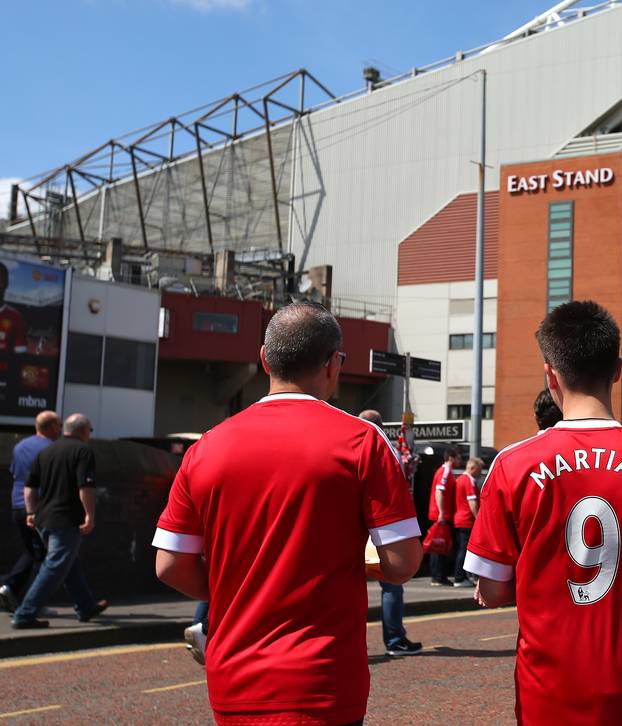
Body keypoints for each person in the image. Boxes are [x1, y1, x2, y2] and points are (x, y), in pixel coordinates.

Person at [152, 303, 422, 725]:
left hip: (234, 676)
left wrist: (240, 590)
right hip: (323, 676)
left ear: (264, 360)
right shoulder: (362, 441)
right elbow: (402, 563)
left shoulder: (206, 446)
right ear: (333, 364)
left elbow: (169, 565)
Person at [466, 300, 622, 725]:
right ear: (618, 369)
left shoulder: (512, 465)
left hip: (546, 688)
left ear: (550, 374)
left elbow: (494, 590)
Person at [10, 413, 108, 628]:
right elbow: (85, 486)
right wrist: (89, 515)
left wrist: (31, 512)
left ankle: (85, 606)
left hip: (43, 518)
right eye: (90, 430)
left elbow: (29, 487)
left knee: (69, 563)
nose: (90, 434)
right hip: (65, 518)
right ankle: (24, 614)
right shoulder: (82, 451)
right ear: (83, 430)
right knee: (55, 565)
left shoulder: (46, 451)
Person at [358, 409, 424, 656]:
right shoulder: (384, 449)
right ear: (382, 426)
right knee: (391, 585)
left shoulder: (349, 445)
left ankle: (353, 643)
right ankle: (395, 640)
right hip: (379, 526)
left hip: (350, 527)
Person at [0, 410, 59, 611]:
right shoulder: (52, 449)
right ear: (52, 426)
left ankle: (10, 588)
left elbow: (15, 474)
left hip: (18, 506)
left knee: (33, 552)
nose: (60, 429)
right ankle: (31, 604)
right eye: (59, 425)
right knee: (45, 557)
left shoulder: (20, 446)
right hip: (41, 507)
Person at [428, 446, 462, 586]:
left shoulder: (444, 471)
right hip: (440, 515)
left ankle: (438, 575)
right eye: (458, 457)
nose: (460, 460)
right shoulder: (445, 471)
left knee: (440, 545)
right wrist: (441, 512)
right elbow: (439, 491)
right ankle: (438, 576)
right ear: (451, 458)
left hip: (440, 513)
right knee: (439, 545)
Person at [451, 457, 483, 587]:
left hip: (459, 518)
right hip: (467, 520)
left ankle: (461, 576)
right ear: (473, 468)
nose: (480, 473)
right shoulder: (469, 480)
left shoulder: (459, 479)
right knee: (464, 550)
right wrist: (478, 518)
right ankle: (459, 577)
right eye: (479, 470)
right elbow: (472, 501)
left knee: (461, 549)